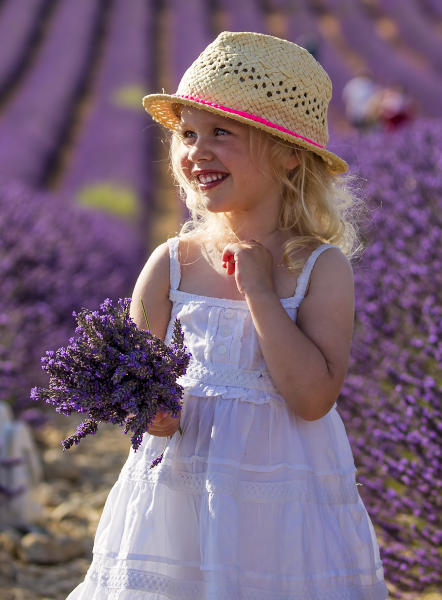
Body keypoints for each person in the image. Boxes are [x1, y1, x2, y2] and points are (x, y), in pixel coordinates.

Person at [67, 32, 388, 599]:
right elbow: (138, 386)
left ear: (289, 152)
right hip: (177, 502)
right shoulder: (172, 265)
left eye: (222, 133)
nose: (198, 150)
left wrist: (262, 293)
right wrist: (150, 415)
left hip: (282, 510)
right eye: (187, 134)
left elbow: (312, 399)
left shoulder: (320, 268)